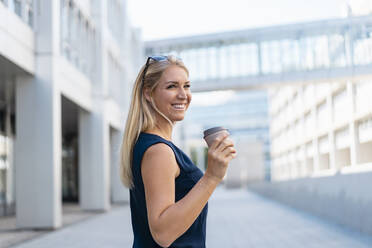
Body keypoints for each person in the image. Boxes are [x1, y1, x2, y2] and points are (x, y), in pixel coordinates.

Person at [120, 55, 237, 248]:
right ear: (148, 93)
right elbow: (163, 233)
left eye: (187, 86)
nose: (183, 95)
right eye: (172, 86)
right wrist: (212, 177)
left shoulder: (152, 144)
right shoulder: (159, 151)